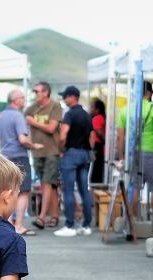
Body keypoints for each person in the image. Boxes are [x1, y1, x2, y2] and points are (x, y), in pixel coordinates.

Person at [55, 86, 95, 237]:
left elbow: (63, 135)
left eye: (65, 96)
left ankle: (70, 225)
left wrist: (61, 149)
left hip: (71, 153)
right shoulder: (86, 114)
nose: (64, 99)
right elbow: (92, 137)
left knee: (69, 190)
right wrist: (88, 150)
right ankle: (86, 225)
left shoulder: (69, 114)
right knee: (84, 189)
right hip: (85, 154)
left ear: (72, 97)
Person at [117, 81, 153, 216]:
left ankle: (132, 219)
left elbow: (120, 137)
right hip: (151, 151)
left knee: (135, 186)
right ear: (147, 93)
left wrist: (121, 156)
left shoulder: (125, 110)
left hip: (133, 153)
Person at [25, 82, 64, 230]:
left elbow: (51, 128)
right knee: (49, 185)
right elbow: (23, 115)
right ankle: (54, 216)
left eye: (37, 91)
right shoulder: (33, 107)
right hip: (37, 151)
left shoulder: (55, 106)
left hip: (51, 151)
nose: (35, 94)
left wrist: (33, 122)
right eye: (34, 91)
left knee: (47, 183)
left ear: (46, 92)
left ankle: (41, 217)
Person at [0, 89, 36, 235]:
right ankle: (18, 225)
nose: (24, 100)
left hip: (5, 156)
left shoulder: (2, 116)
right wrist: (33, 145)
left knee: (7, 191)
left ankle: (8, 224)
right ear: (15, 100)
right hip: (19, 156)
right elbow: (22, 139)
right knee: (23, 191)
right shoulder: (18, 115)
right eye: (22, 97)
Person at [89, 98, 107, 184]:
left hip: (97, 147)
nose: (90, 109)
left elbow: (99, 132)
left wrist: (105, 142)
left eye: (92, 107)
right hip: (99, 147)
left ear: (97, 110)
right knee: (97, 172)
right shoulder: (101, 117)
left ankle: (95, 193)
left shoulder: (97, 118)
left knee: (96, 173)